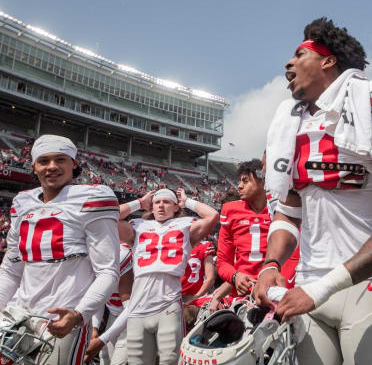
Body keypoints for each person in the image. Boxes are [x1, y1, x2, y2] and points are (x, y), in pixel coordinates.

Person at [254, 17, 372, 365]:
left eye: (299, 54)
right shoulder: (288, 124)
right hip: (305, 284)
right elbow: (289, 212)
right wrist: (270, 263)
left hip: (363, 284)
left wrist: (322, 289)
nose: (288, 63)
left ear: (328, 60)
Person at [0, 134, 120, 364]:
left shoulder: (93, 198)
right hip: (18, 316)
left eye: (60, 159)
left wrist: (79, 315)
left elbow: (107, 271)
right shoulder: (23, 203)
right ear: (34, 166)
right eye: (44, 160)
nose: (52, 166)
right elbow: (11, 270)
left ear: (73, 164)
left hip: (65, 318)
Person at [116, 188, 219, 365]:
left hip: (168, 304)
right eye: (157, 202)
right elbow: (109, 216)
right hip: (138, 306)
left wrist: (187, 202)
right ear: (152, 206)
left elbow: (212, 215)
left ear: (175, 206)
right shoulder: (138, 226)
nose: (161, 206)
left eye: (166, 202)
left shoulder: (186, 226)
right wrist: (139, 203)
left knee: (169, 361)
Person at [217, 159, 298, 305]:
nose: (239, 186)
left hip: (275, 288)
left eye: (246, 181)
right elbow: (223, 262)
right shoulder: (230, 210)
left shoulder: (281, 210)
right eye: (240, 181)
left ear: (262, 180)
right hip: (243, 294)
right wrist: (235, 276)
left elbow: (293, 256)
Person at [86, 242, 134, 365]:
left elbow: (130, 309)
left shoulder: (120, 256)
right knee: (105, 359)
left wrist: (103, 339)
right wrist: (95, 328)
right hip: (114, 313)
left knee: (118, 362)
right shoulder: (85, 258)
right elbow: (98, 298)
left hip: (133, 315)